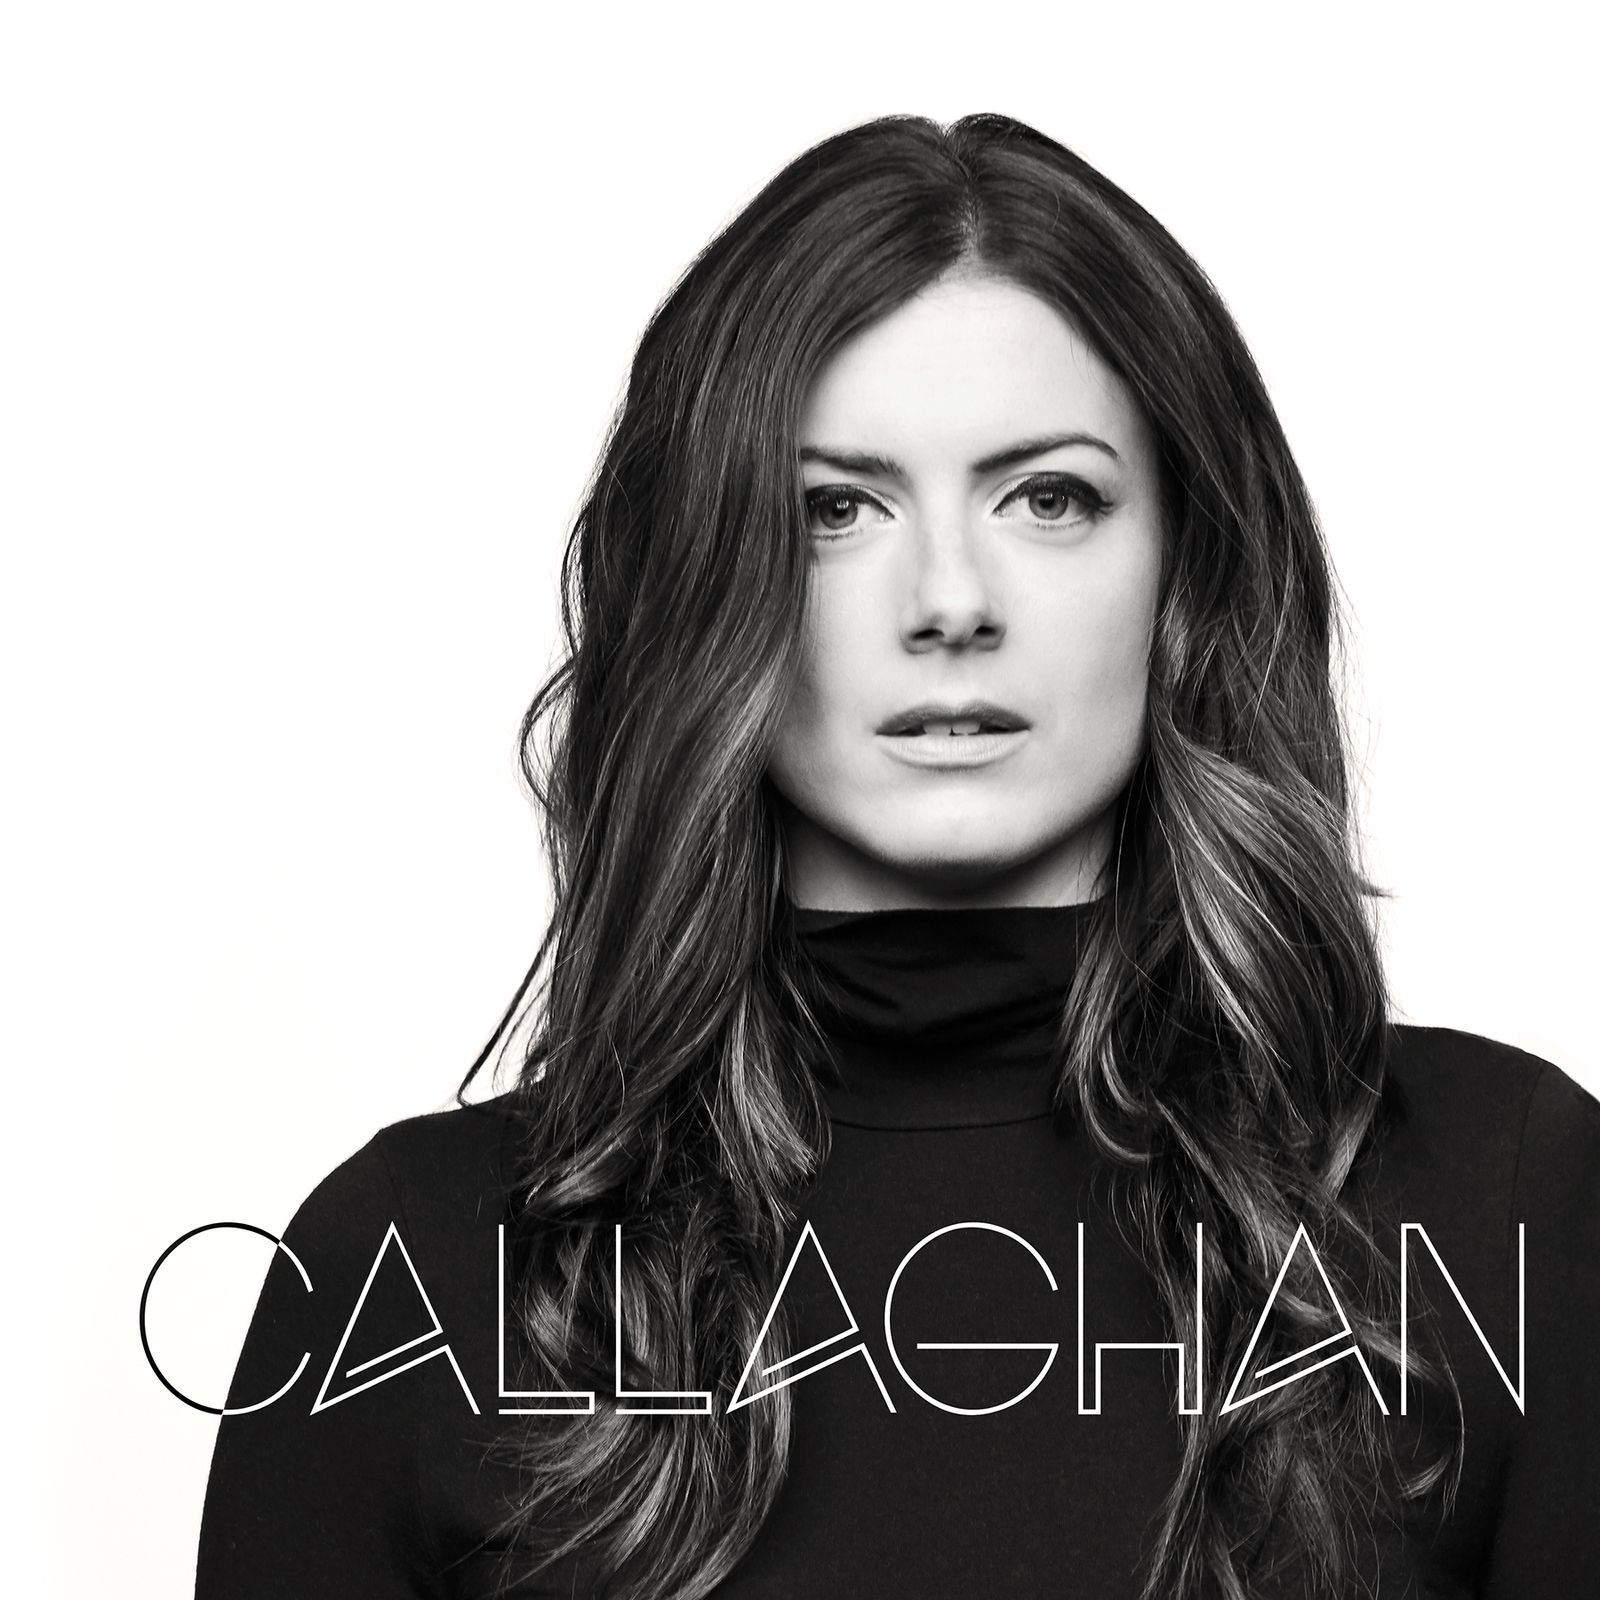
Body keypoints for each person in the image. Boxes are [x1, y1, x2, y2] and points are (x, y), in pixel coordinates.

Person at [194, 112, 1600, 1599]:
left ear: (1185, 567)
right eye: (836, 510)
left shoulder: (1506, 1210)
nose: (950, 599)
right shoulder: (408, 1277)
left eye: (1049, 498)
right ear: (709, 581)